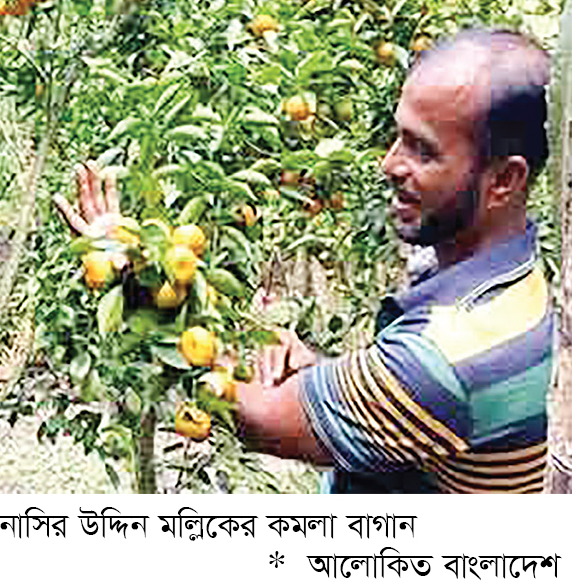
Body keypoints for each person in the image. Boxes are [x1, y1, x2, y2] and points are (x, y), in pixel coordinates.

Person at [56, 28, 554, 493]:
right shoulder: (520, 284)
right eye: (399, 135)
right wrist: (327, 372)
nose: (389, 164)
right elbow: (425, 422)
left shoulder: (446, 357)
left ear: (504, 181)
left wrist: (139, 270)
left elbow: (261, 420)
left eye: (423, 151)